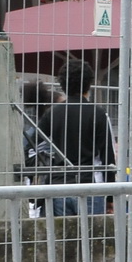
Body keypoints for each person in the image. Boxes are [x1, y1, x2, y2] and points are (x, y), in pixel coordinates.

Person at [41, 58, 117, 215]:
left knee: (62, 238)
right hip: (89, 186)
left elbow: (32, 145)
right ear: (89, 84)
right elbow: (107, 158)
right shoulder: (98, 114)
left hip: (58, 187)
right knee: (91, 237)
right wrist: (110, 196)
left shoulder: (52, 113)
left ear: (62, 85)